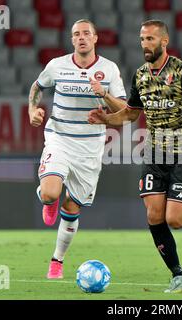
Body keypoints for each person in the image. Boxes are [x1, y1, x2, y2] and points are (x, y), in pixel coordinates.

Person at [88, 20, 182, 293]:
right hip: (155, 153)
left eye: (150, 39)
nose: (145, 44)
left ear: (164, 41)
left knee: (175, 220)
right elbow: (131, 114)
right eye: (142, 39)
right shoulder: (141, 76)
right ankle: (178, 275)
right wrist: (105, 119)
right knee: (155, 214)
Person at [28, 19, 127, 279]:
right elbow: (37, 87)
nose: (81, 37)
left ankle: (57, 261)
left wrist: (104, 95)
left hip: (90, 146)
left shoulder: (109, 69)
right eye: (76, 34)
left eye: (86, 33)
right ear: (72, 40)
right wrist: (32, 109)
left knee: (73, 207)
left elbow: (125, 111)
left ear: (95, 38)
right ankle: (49, 198)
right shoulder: (57, 65)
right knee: (51, 193)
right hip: (59, 137)